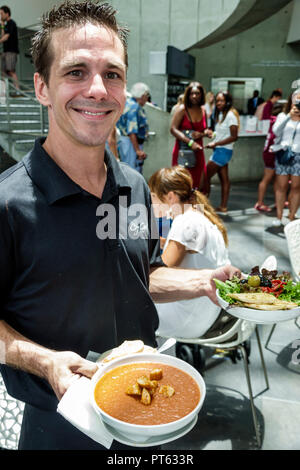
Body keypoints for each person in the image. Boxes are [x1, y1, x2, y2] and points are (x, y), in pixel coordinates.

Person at [0, 1, 240, 450]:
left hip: (147, 411)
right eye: (76, 72)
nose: (98, 89)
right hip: (60, 423)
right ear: (41, 87)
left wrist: (205, 280)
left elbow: (143, 272)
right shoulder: (8, 203)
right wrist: (44, 361)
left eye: (112, 74)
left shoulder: (132, 185)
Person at [149, 166, 237, 339]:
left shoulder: (184, 223)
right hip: (210, 309)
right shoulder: (197, 216)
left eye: (152, 196)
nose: (150, 202)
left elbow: (161, 272)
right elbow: (180, 247)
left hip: (190, 319)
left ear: (171, 197)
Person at [170, 81, 212, 191]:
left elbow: (204, 129)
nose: (194, 96)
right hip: (183, 151)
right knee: (182, 185)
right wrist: (190, 142)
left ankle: (195, 208)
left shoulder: (203, 110)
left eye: (197, 93)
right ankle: (182, 208)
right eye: (191, 93)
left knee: (199, 185)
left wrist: (206, 133)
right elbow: (173, 129)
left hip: (198, 151)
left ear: (201, 95)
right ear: (187, 95)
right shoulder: (182, 109)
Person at [205, 91, 239, 214]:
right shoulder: (221, 115)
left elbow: (234, 137)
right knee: (224, 180)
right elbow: (221, 134)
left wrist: (215, 143)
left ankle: (205, 206)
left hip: (223, 151)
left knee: (205, 176)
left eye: (221, 101)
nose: (218, 103)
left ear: (227, 102)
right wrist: (212, 135)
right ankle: (223, 207)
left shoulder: (231, 116)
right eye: (217, 100)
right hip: (220, 150)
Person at [270, 88, 300, 226]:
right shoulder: (283, 115)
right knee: (281, 187)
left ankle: (292, 217)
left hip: (298, 156)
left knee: (296, 187)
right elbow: (275, 131)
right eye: (297, 98)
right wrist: (289, 116)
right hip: (283, 154)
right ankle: (279, 217)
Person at [254, 102, 284, 213]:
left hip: (269, 152)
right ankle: (260, 203)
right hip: (271, 153)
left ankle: (278, 201)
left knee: (276, 179)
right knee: (267, 179)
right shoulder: (278, 122)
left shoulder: (272, 120)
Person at [116, 82, 150, 174]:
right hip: (131, 143)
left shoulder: (128, 103)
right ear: (143, 95)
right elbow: (131, 131)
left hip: (127, 142)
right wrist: (138, 150)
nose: (147, 99)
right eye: (147, 95)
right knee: (132, 171)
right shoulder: (134, 107)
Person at [0, 6, 19, 91]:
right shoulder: (6, 24)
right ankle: (6, 91)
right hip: (5, 51)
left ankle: (17, 90)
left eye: (1, 14)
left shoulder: (12, 23)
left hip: (11, 51)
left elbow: (6, 37)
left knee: (11, 71)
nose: (0, 16)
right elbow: (3, 35)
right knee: (3, 72)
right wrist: (2, 26)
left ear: (7, 14)